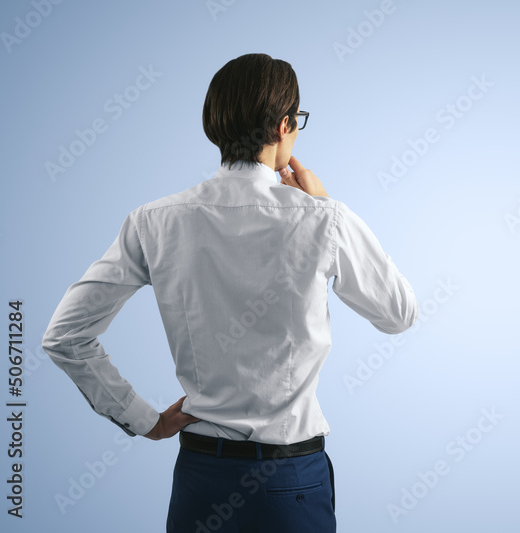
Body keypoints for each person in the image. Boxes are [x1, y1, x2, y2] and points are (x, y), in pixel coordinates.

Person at [41, 53, 418, 532]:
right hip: (291, 480)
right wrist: (321, 205)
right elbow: (399, 313)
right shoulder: (324, 219)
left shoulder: (153, 221)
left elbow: (64, 336)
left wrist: (143, 419)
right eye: (297, 121)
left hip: (202, 478)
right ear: (284, 125)